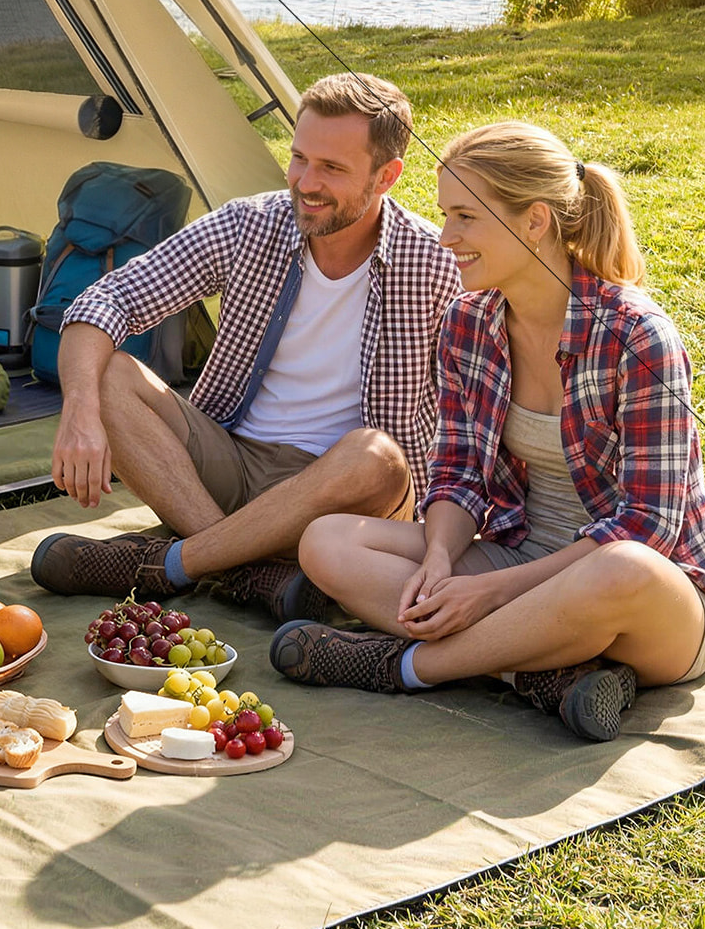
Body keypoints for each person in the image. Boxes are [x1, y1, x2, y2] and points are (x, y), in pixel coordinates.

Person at [272, 123, 705, 742]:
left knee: (622, 569)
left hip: (646, 601)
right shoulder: (468, 322)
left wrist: (490, 592)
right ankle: (544, 674)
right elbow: (458, 473)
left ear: (535, 220)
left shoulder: (637, 335)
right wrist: (438, 559)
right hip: (518, 553)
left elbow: (648, 529)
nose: (447, 237)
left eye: (465, 216)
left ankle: (407, 665)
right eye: (445, 215)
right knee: (326, 540)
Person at [32, 72, 460, 619]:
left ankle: (171, 563)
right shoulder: (250, 226)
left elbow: (487, 401)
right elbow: (104, 302)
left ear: (386, 177)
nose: (306, 182)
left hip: (344, 503)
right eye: (300, 157)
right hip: (226, 466)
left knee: (374, 457)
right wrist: (80, 409)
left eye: (332, 168)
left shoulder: (436, 265)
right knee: (109, 372)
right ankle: (240, 570)